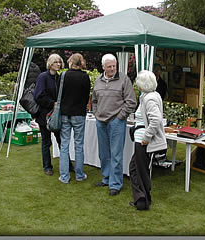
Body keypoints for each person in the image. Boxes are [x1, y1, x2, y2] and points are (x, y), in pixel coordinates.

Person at [92, 53, 137, 196]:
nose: (112, 69)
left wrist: (120, 117)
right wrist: (96, 113)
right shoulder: (98, 81)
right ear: (103, 67)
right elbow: (93, 100)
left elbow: (131, 101)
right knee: (104, 153)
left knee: (116, 154)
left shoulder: (124, 79)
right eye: (109, 66)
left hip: (116, 122)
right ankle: (106, 178)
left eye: (114, 66)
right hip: (101, 122)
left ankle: (115, 184)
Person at [129, 70, 167, 210]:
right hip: (141, 139)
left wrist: (146, 137)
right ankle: (142, 198)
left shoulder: (149, 98)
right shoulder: (150, 96)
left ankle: (142, 201)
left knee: (139, 170)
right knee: (135, 169)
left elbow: (156, 120)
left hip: (142, 141)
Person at [58, 53, 91, 184]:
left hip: (65, 113)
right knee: (79, 145)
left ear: (71, 62)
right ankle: (79, 174)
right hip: (79, 114)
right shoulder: (85, 77)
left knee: (64, 145)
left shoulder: (64, 75)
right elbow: (86, 95)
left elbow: (58, 93)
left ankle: (64, 176)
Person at [33, 53, 64, 176]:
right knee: (46, 141)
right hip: (44, 115)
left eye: (59, 62)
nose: (58, 64)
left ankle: (66, 163)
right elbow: (38, 95)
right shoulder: (43, 77)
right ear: (50, 64)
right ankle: (47, 166)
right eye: (56, 62)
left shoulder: (59, 77)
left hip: (56, 115)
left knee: (61, 140)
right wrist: (52, 103)